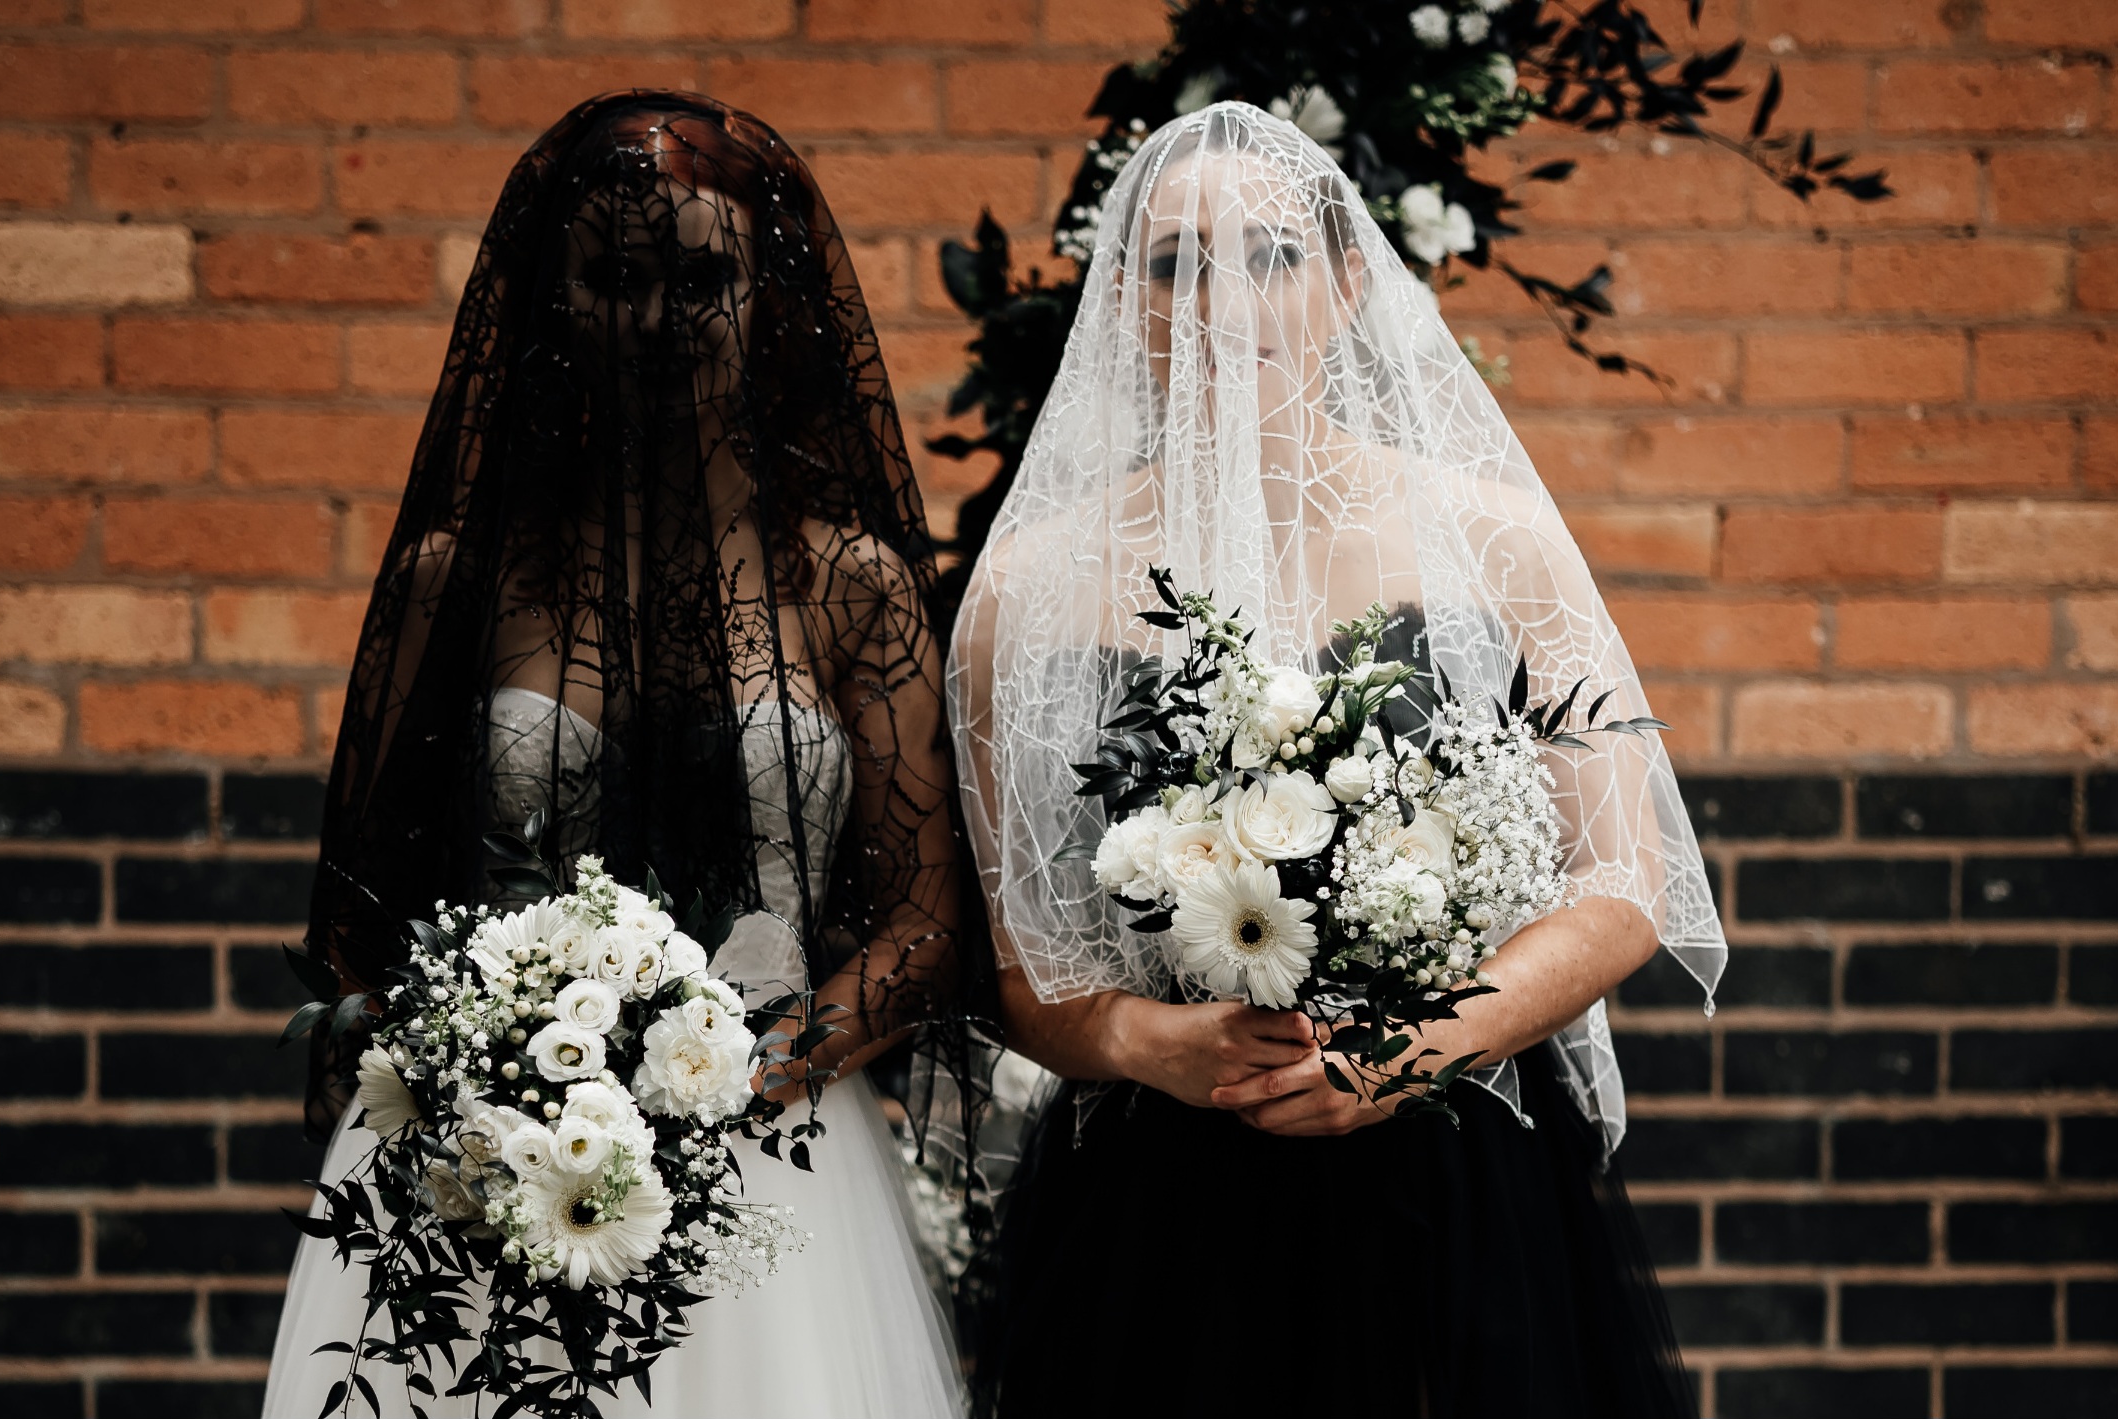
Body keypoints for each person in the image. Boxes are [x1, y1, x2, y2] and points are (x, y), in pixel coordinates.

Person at [949, 101, 1724, 1418]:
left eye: (1268, 257)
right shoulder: (1026, 595)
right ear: (1124, 295)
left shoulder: (1500, 546)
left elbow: (1623, 879)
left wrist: (1420, 1045)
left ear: (1349, 281)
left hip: (1454, 1177)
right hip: (1169, 1208)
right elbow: (1022, 964)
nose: (1219, 301)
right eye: (1176, 263)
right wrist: (1146, 1039)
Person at [263, 92, 978, 1418]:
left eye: (703, 278)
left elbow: (929, 921)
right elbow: (364, 911)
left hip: (768, 1150)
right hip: (485, 1160)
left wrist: (738, 1070)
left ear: (773, 299)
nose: (658, 321)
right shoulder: (455, 586)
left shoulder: (849, 587)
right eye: (616, 278)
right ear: (558, 300)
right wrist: (487, 1060)